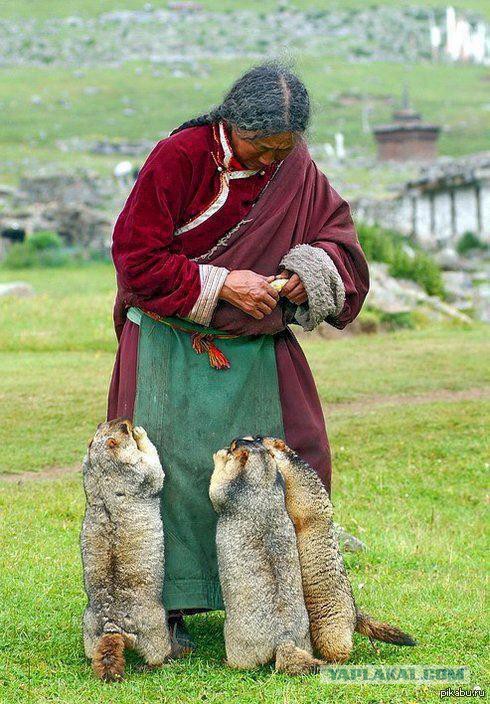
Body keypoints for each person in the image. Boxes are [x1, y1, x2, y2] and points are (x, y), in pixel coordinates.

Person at [108, 62, 369, 651]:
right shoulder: (180, 156)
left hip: (259, 352)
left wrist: (310, 273)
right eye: (261, 146)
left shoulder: (294, 167)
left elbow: (339, 240)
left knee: (292, 461)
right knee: (162, 477)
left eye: (285, 148)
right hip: (168, 349)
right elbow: (135, 257)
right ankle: (157, 611)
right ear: (232, 123)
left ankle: (288, 605)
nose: (271, 161)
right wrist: (222, 285)